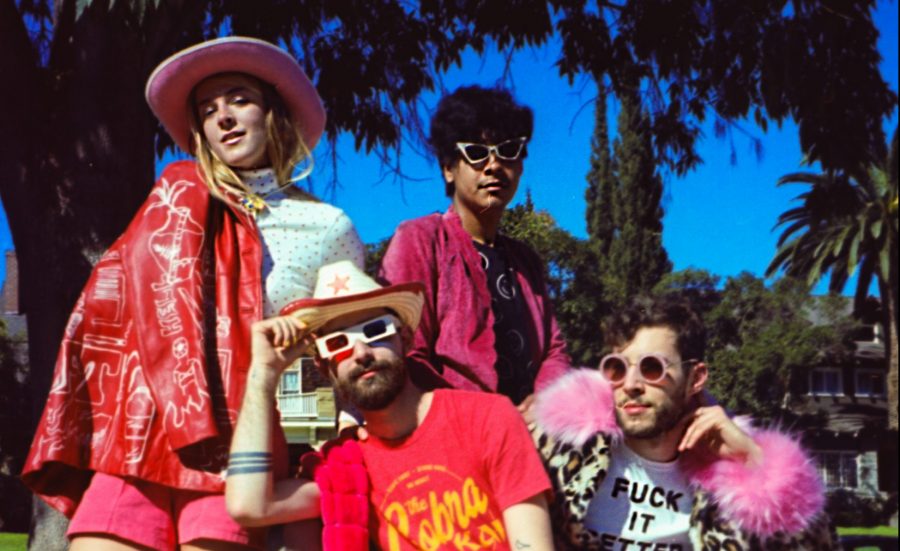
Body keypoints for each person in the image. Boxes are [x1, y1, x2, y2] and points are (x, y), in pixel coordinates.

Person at [22, 37, 364, 551]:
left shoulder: (326, 227)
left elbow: (343, 340)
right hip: (142, 431)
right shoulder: (172, 204)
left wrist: (343, 434)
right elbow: (111, 314)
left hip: (243, 439)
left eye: (240, 99)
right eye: (207, 110)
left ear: (274, 112)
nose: (223, 117)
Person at [225, 260, 554, 551]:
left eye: (374, 331)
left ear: (405, 339)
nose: (361, 353)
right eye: (338, 342)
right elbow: (248, 506)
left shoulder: (487, 418)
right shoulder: (345, 469)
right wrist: (262, 375)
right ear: (325, 368)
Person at [529, 295, 839, 550]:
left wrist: (754, 462)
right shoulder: (562, 452)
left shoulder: (727, 480)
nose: (631, 384)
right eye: (617, 368)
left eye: (652, 368)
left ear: (696, 378)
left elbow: (817, 544)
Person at [378, 85, 570, 417]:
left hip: (529, 434)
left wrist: (545, 403)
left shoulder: (526, 261)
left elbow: (554, 351)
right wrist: (485, 420)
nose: (494, 165)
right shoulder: (421, 239)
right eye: (477, 153)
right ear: (448, 168)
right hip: (450, 430)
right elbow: (405, 352)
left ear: (521, 166)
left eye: (508, 151)